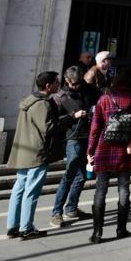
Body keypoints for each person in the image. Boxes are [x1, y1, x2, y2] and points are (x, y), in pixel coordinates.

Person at [87, 67, 131, 243]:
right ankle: (121, 229)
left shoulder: (104, 99)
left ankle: (97, 233)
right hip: (125, 148)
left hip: (103, 147)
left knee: (100, 190)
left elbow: (95, 127)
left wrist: (90, 149)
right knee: (124, 189)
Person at [5, 71, 64, 240]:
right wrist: (70, 118)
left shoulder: (29, 101)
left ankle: (13, 226)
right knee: (31, 190)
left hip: (24, 150)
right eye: (56, 82)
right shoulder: (42, 104)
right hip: (36, 151)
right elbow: (49, 128)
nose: (58, 85)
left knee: (20, 187)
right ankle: (26, 227)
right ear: (48, 85)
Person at [49, 66, 96, 226]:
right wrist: (73, 116)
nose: (75, 86)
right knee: (70, 174)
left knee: (82, 176)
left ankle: (72, 207)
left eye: (78, 83)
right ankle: (56, 212)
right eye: (72, 84)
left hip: (88, 135)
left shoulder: (89, 90)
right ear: (67, 81)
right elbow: (56, 122)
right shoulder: (60, 97)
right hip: (73, 137)